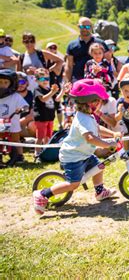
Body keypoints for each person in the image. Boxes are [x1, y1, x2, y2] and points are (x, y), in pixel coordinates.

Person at [32, 79, 121, 215]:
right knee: (73, 184)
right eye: (98, 101)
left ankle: (100, 192)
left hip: (82, 153)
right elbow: (90, 137)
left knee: (98, 167)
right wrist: (108, 144)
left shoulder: (87, 116)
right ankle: (43, 194)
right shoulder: (83, 119)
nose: (100, 104)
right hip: (73, 156)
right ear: (91, 102)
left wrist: (112, 133)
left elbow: (97, 128)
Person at [64, 17, 109, 83]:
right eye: (82, 26)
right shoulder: (72, 45)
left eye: (87, 27)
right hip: (78, 80)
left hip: (97, 80)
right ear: (78, 26)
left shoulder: (100, 43)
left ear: (92, 27)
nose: (85, 29)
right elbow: (69, 66)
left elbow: (108, 62)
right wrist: (68, 81)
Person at [0, 69, 29, 166]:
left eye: (5, 82)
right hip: (1, 123)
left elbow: (26, 106)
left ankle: (19, 155)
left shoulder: (15, 96)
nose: (3, 84)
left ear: (11, 84)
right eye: (0, 82)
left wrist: (22, 109)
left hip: (12, 122)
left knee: (15, 139)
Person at [33, 68, 59, 158]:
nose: (45, 81)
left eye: (47, 79)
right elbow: (43, 99)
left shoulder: (48, 89)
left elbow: (57, 99)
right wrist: (52, 92)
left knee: (48, 136)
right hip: (41, 117)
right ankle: (37, 152)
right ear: (36, 80)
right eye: (42, 79)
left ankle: (45, 151)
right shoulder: (37, 89)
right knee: (40, 136)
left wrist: (62, 91)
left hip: (50, 117)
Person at [45, 41, 65, 129]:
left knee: (57, 104)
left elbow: (58, 72)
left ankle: (60, 124)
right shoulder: (44, 60)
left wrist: (52, 67)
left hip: (55, 84)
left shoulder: (58, 60)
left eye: (54, 48)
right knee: (47, 105)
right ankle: (48, 124)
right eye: (50, 48)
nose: (52, 49)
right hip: (45, 85)